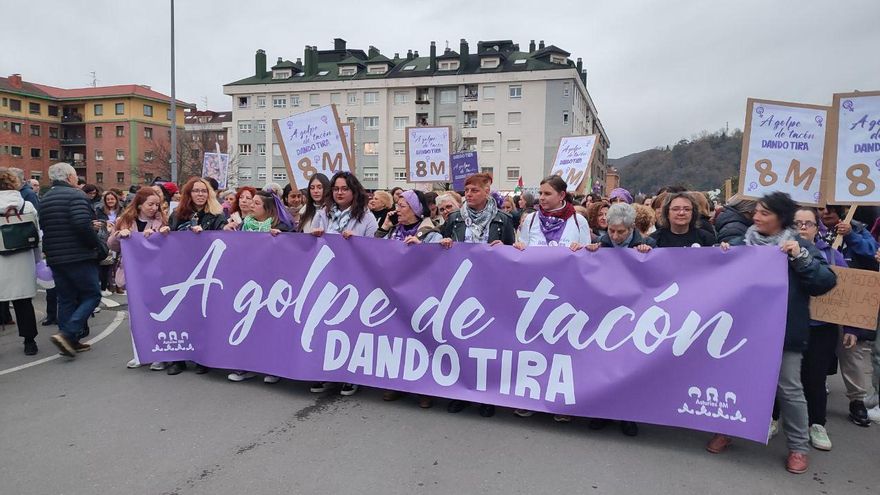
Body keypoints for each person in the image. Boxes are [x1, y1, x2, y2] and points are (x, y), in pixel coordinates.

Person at [709, 192, 837, 475]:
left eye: (764, 213)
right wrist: (723, 257)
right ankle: (727, 429)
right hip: (743, 330)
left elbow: (826, 281)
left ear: (781, 218)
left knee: (789, 389)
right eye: (756, 212)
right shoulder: (742, 244)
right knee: (736, 382)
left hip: (783, 331)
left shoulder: (799, 247)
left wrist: (800, 258)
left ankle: (798, 447)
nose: (756, 217)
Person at [512, 175, 590, 422]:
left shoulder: (578, 221)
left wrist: (583, 251)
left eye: (547, 194)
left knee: (561, 349)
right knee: (533, 347)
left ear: (561, 195)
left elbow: (590, 258)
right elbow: (520, 250)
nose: (542, 198)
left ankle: (560, 402)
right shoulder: (531, 219)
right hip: (535, 294)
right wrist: (519, 248)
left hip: (566, 296)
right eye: (541, 194)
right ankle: (531, 398)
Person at [440, 173, 515, 417]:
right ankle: (461, 391)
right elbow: (440, 250)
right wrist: (446, 243)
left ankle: (486, 394)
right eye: (466, 190)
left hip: (490, 290)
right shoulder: (454, 219)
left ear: (487, 190)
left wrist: (505, 249)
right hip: (461, 288)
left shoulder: (502, 220)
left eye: (474, 190)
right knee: (460, 341)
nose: (469, 194)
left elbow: (513, 256)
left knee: (486, 344)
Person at [310, 171, 378, 396]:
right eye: (336, 189)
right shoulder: (323, 213)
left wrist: (357, 242)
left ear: (353, 191)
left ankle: (350, 375)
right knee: (325, 326)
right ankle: (324, 372)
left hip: (354, 279)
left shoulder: (366, 217)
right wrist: (315, 236)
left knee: (349, 328)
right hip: (327, 277)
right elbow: (311, 243)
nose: (339, 192)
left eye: (344, 189)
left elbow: (376, 248)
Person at [374, 189, 441, 408]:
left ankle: (424, 389)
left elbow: (439, 261)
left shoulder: (431, 233)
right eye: (396, 205)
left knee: (420, 341)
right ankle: (396, 383)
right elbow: (371, 250)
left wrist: (422, 251)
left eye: (402, 206)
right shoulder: (393, 231)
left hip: (420, 295)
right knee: (395, 340)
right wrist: (384, 227)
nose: (397, 210)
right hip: (393, 294)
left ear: (415, 210)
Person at [225, 191, 291, 384]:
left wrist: (280, 240)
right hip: (248, 282)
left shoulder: (282, 227)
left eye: (256, 203)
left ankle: (273, 366)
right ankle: (246, 366)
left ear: (268, 208)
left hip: (273, 284)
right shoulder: (245, 225)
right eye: (250, 202)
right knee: (248, 324)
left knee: (271, 325)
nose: (251, 205)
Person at [165, 177, 227, 376]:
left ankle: (203, 357)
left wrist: (206, 234)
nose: (200, 194)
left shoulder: (217, 215)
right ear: (188, 194)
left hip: (207, 273)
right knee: (180, 315)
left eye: (203, 191)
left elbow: (224, 241)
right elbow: (170, 241)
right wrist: (164, 232)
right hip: (182, 272)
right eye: (196, 191)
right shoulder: (177, 215)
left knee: (203, 316)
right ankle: (178, 359)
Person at [40, 163, 102, 358]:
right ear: (69, 177)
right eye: (75, 176)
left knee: (66, 298)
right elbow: (81, 225)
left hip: (56, 256)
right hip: (78, 255)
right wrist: (97, 244)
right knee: (92, 295)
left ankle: (69, 341)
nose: (77, 180)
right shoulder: (76, 195)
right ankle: (67, 334)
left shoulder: (45, 198)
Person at [108, 187, 168, 370]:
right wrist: (120, 235)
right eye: (150, 204)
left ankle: (159, 354)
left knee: (157, 314)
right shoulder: (125, 220)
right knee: (136, 315)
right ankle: (139, 353)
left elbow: (167, 245)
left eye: (157, 205)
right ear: (140, 204)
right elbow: (111, 244)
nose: (154, 208)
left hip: (155, 274)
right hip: (133, 274)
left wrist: (160, 234)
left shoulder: (160, 221)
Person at [0, 170, 40, 355]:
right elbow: (37, 233)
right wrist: (38, 260)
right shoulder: (27, 205)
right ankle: (29, 341)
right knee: (23, 302)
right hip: (23, 258)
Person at [650, 192, 716, 247]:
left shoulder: (706, 238)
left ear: (693, 213)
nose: (681, 213)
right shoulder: (655, 239)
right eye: (675, 209)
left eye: (687, 209)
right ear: (667, 213)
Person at [586, 203, 656, 253]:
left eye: (620, 232)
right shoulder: (598, 243)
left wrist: (650, 254)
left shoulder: (648, 244)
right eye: (611, 230)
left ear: (632, 227)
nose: (615, 236)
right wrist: (586, 250)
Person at [95, 191, 123, 295]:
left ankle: (117, 285)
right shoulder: (100, 210)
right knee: (106, 263)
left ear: (116, 200)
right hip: (105, 238)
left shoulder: (122, 210)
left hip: (118, 237)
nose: (110, 201)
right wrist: (105, 223)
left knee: (117, 263)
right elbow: (97, 221)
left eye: (112, 199)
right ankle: (106, 285)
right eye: (108, 199)